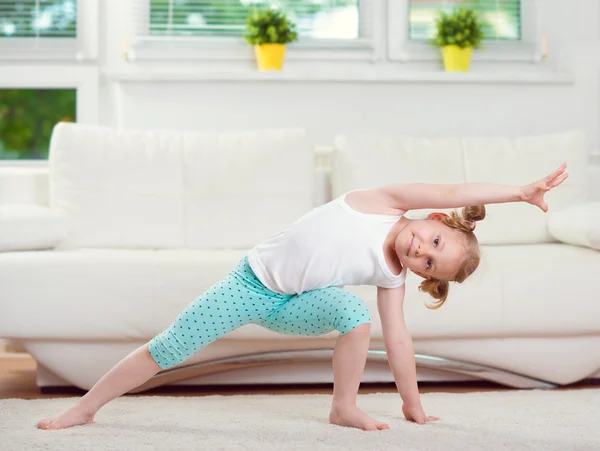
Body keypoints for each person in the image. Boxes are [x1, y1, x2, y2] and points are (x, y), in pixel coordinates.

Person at [37, 163, 568, 432]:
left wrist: (413, 405)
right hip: (249, 286)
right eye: (432, 241)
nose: (420, 252)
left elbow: (399, 339)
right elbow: (456, 193)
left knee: (354, 315)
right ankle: (85, 409)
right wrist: (520, 193)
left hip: (292, 306)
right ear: (432, 220)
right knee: (172, 346)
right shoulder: (381, 203)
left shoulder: (392, 275)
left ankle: (343, 407)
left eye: (430, 263)